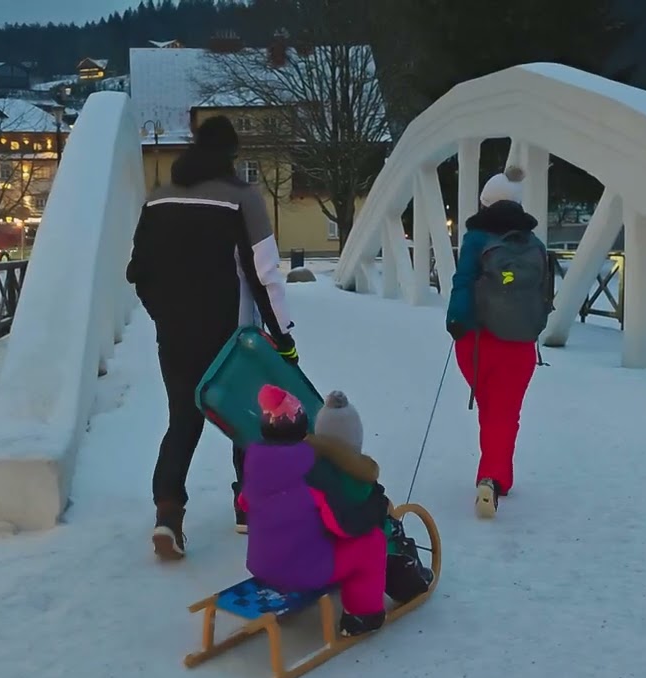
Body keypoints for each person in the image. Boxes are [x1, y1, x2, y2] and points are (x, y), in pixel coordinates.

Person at [126, 115, 296, 561]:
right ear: (230, 156)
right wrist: (283, 337)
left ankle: (167, 514)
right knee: (249, 419)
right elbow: (266, 274)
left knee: (183, 421)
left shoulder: (158, 199)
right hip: (232, 339)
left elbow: (137, 271)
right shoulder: (242, 198)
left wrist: (163, 315)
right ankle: (248, 507)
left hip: (175, 336)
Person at [238, 385, 388, 637]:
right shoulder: (311, 469)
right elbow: (345, 524)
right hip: (303, 569)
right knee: (371, 543)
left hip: (262, 563)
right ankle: (363, 614)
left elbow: (244, 503)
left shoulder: (254, 461)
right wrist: (376, 508)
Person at [446, 166, 551, 519]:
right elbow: (545, 293)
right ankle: (494, 477)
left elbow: (463, 282)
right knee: (506, 413)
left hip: (477, 341)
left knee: (490, 410)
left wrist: (456, 321)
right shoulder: (534, 244)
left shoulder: (476, 239)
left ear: (485, 202)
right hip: (519, 342)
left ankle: (490, 476)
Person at [309, 390, 433, 602]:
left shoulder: (305, 467)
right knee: (381, 538)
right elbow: (357, 523)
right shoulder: (356, 481)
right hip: (331, 557)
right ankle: (395, 591)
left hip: (304, 551)